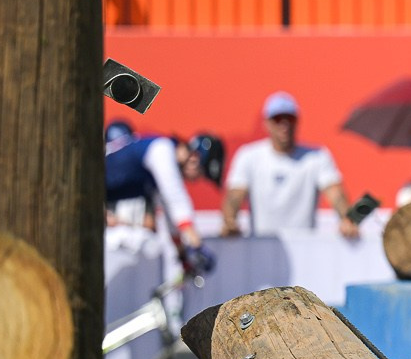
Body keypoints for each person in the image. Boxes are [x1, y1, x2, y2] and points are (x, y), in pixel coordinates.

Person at [221, 92, 362, 238]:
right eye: (277, 119)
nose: (284, 125)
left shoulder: (317, 156)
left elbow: (335, 193)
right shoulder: (249, 156)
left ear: (297, 121)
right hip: (261, 250)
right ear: (267, 123)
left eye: (289, 119)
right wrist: (230, 221)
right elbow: (235, 195)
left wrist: (347, 219)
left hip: (304, 250)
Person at [103, 123, 221, 264]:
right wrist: (197, 245)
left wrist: (182, 255)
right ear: (194, 158)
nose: (195, 180)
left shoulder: (159, 161)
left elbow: (170, 216)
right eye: (201, 173)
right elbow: (176, 198)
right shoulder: (162, 149)